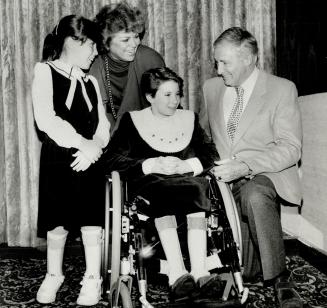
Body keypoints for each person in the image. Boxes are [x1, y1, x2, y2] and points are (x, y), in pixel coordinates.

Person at [200, 27, 303, 307]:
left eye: (225, 62)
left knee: (254, 195)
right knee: (245, 270)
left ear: (248, 58)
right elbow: (204, 138)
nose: (219, 69)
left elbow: (291, 147)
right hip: (224, 181)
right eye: (216, 62)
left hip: (264, 175)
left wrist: (245, 166)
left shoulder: (282, 89)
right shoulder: (211, 88)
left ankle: (281, 278)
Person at [104, 67, 222, 300]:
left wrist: (187, 166)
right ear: (150, 97)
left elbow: (211, 154)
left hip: (187, 182)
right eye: (167, 95)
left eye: (177, 94)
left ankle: (200, 271)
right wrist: (149, 164)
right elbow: (111, 158)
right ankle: (177, 273)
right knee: (164, 191)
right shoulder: (133, 121)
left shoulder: (189, 119)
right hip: (151, 188)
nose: (174, 101)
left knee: (197, 186)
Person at [32, 15, 110, 306]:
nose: (95, 54)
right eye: (91, 46)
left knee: (91, 221)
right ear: (73, 42)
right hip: (60, 158)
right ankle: (54, 274)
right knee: (57, 222)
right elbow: (46, 119)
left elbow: (102, 124)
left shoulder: (90, 82)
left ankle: (92, 277)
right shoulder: (45, 71)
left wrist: (96, 148)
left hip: (89, 159)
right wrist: (82, 144)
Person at [89, 2, 165, 133]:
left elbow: (166, 109)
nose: (135, 43)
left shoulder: (150, 60)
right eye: (125, 40)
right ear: (105, 43)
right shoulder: (91, 65)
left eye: (136, 36)